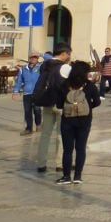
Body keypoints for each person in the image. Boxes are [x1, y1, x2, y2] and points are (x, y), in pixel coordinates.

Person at [57, 60, 101, 185]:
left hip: (67, 121)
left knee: (67, 150)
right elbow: (97, 102)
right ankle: (77, 176)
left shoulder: (64, 85)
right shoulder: (90, 86)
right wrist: (86, 108)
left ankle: (66, 176)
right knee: (80, 149)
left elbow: (59, 105)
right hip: (85, 121)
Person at [34, 43, 72, 174]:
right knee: (61, 134)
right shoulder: (65, 67)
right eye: (68, 54)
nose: (69, 56)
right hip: (61, 103)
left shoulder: (44, 65)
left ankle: (41, 163)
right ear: (64, 54)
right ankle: (60, 163)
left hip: (47, 101)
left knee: (45, 134)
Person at [11, 54, 43, 134]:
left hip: (37, 93)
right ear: (29, 59)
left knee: (37, 110)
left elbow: (50, 59)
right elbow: (19, 81)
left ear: (38, 59)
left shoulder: (40, 67)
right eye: (32, 58)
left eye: (35, 58)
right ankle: (28, 128)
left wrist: (41, 54)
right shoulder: (23, 69)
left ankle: (38, 125)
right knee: (27, 111)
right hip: (27, 93)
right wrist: (15, 92)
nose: (33, 59)